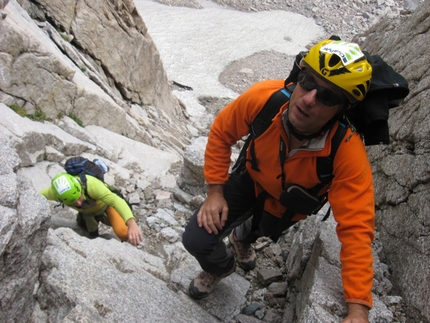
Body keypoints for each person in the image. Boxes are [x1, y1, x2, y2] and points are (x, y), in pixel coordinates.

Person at [182, 39, 375, 323]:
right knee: (196, 239)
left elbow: (356, 229)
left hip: (285, 205)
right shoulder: (265, 99)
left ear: (342, 109)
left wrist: (358, 309)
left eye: (328, 97)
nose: (309, 98)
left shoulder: (347, 152)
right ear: (298, 76)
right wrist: (214, 191)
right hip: (249, 179)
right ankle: (222, 266)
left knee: (256, 230)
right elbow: (223, 132)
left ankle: (243, 240)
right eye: (308, 81)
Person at [41, 173, 143, 246]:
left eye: (79, 197)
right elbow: (34, 196)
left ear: (79, 187)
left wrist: (131, 223)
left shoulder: (92, 185)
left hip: (107, 207)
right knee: (89, 233)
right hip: (87, 214)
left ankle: (128, 249)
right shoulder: (53, 193)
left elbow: (116, 200)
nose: (79, 203)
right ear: (58, 199)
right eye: (73, 202)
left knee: (123, 232)